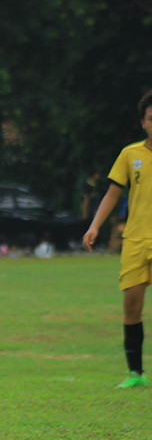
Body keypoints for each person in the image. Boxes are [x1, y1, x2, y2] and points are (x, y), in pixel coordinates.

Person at [82, 89, 152, 388]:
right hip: (136, 238)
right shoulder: (130, 154)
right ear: (143, 122)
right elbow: (113, 192)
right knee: (132, 303)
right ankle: (135, 373)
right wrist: (95, 225)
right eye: (151, 118)